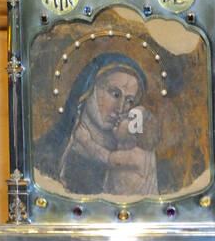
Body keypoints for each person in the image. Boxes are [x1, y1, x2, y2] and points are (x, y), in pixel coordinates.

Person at [35, 53, 158, 197]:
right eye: (115, 94)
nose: (120, 108)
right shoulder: (49, 149)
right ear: (89, 89)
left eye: (130, 101)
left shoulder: (130, 153)